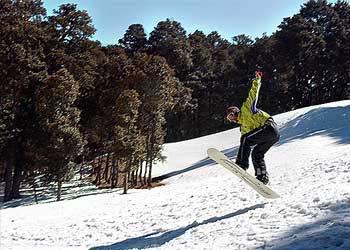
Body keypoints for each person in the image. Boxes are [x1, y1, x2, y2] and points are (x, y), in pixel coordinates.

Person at [226, 71, 280, 184]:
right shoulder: (243, 128)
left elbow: (253, 94)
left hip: (270, 127)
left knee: (246, 139)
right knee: (256, 153)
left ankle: (242, 164)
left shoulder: (246, 108)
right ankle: (262, 177)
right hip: (272, 136)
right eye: (229, 119)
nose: (231, 119)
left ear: (235, 112)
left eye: (231, 116)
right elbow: (244, 146)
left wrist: (257, 80)